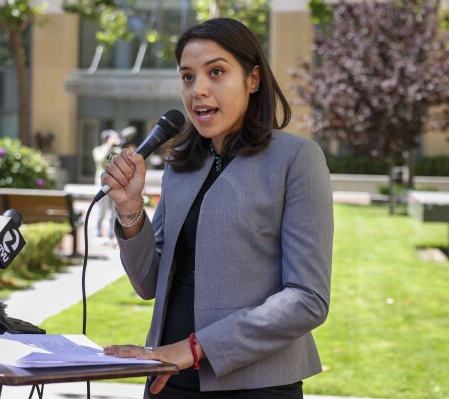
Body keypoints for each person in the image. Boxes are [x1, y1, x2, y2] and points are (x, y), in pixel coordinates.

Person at [100, 17, 334, 399]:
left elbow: (308, 298)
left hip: (258, 384)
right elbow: (148, 283)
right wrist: (130, 212)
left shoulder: (297, 159)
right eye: (188, 77)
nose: (199, 90)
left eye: (217, 72)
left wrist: (193, 349)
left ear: (253, 79)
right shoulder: (180, 167)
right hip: (167, 379)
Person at [92, 129, 120, 238]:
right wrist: (108, 146)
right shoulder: (98, 150)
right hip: (102, 184)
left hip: (115, 184)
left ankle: (111, 232)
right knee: (101, 208)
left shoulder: (116, 150)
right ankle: (98, 230)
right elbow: (101, 160)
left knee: (114, 210)